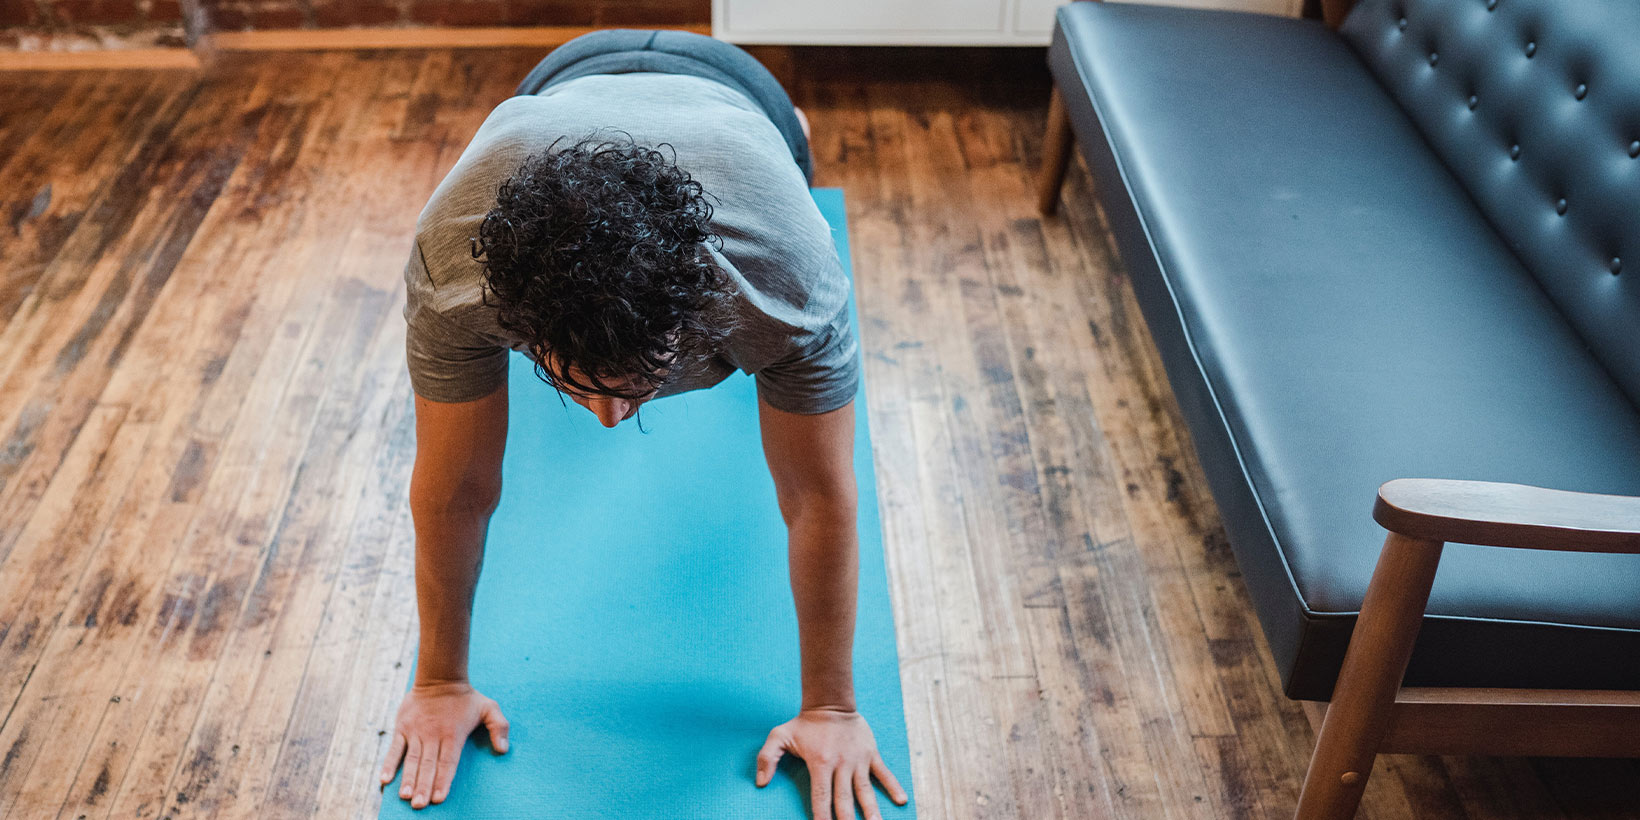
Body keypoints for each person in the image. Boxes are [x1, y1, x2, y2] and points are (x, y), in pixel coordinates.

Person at [377, 29, 909, 820]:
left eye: (639, 389)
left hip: (739, 94)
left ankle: (790, 126)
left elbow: (819, 497)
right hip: (558, 85)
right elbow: (455, 492)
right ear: (517, 325)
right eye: (576, 387)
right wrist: (439, 682)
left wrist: (831, 707)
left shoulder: (785, 282)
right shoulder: (457, 272)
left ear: (697, 318)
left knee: (792, 151)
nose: (609, 420)